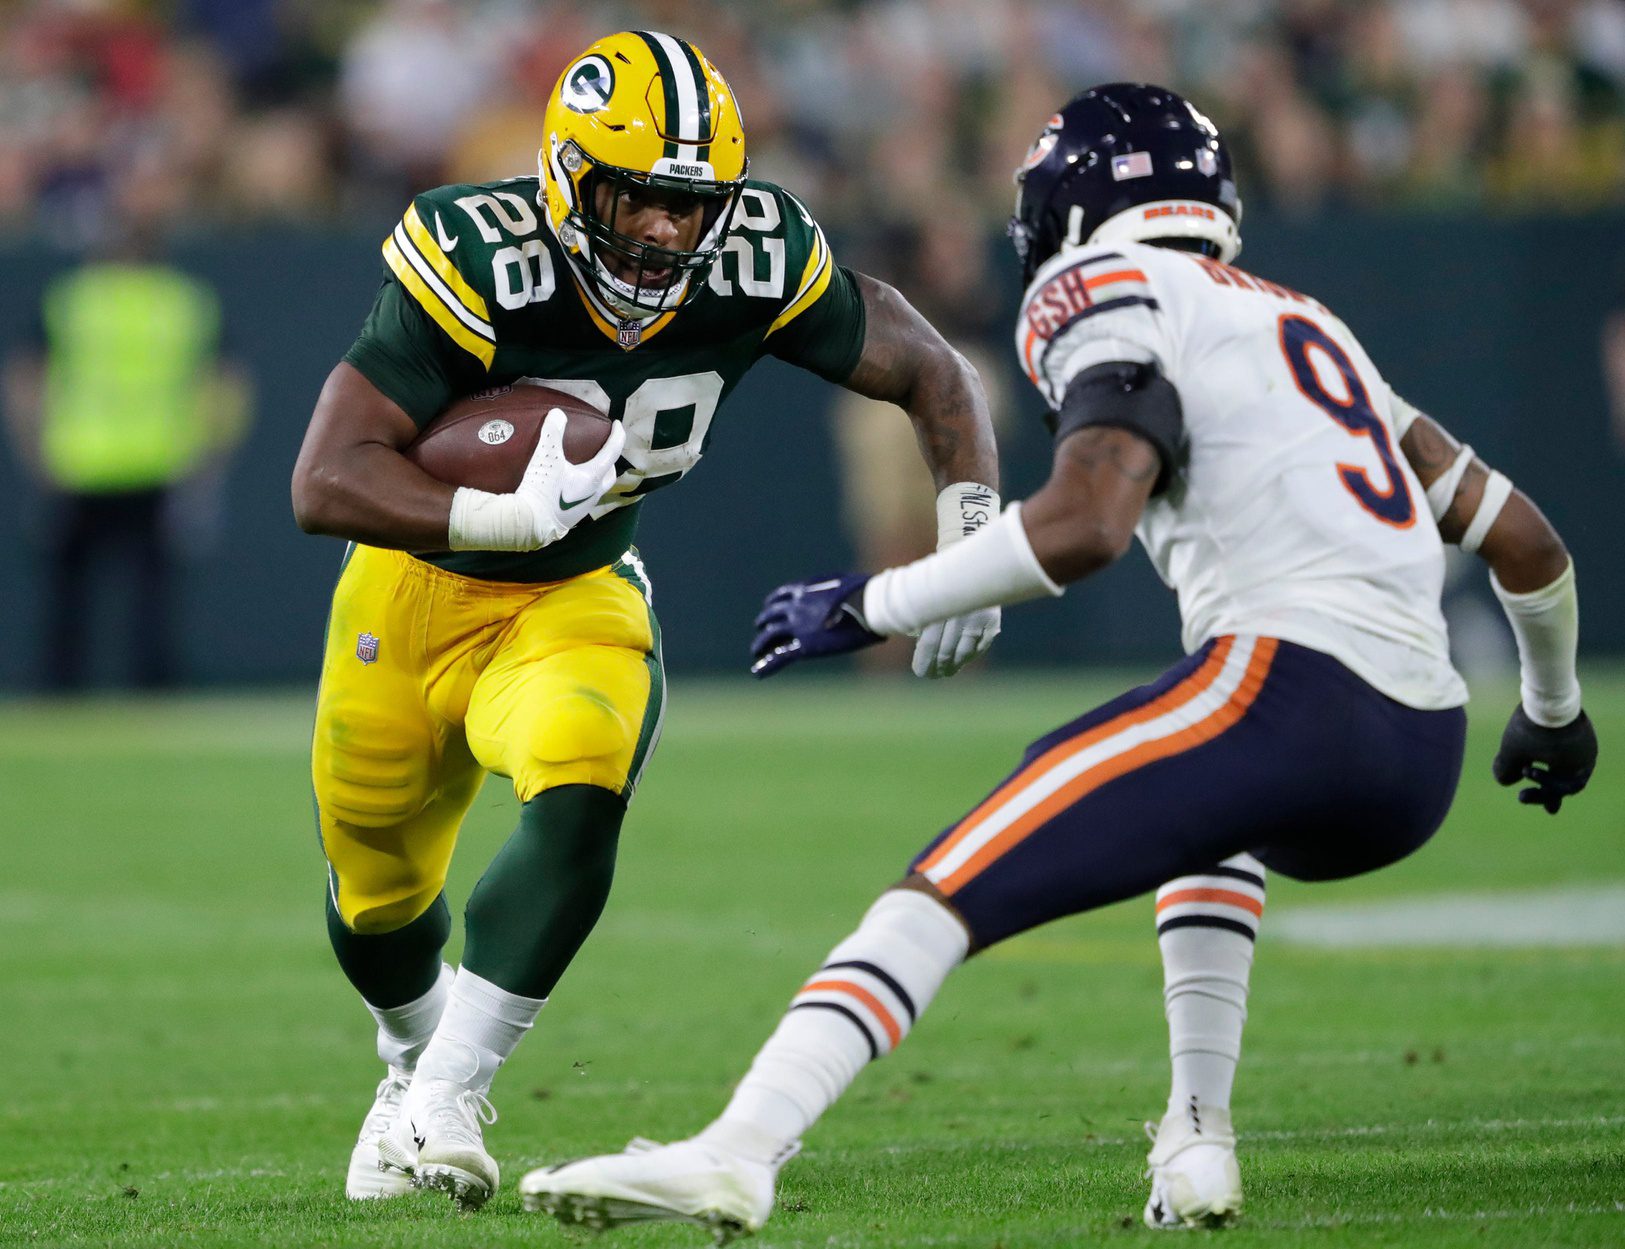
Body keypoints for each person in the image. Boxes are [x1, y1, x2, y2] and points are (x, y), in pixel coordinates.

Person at [517, 83, 1598, 1239]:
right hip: (1420, 742)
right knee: (1206, 810)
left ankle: (735, 1152)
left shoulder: (1105, 285)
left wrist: (871, 601)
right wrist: (1549, 708)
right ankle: (1194, 1137)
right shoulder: (1306, 321)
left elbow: (1084, 523)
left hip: (1288, 691)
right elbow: (1524, 539)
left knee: (947, 880)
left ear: (1073, 202)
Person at [289, 30, 1001, 1211]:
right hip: (411, 590)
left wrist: (971, 522)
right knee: (375, 902)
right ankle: (408, 1061)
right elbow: (323, 479)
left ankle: (450, 1095)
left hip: (577, 591)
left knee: (583, 781)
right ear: (571, 178)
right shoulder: (479, 253)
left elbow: (930, 367)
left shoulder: (758, 256)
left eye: (690, 206)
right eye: (639, 200)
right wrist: (487, 513)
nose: (667, 232)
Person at [3, 172, 250, 691]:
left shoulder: (72, 297)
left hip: (78, 461)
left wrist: (35, 453)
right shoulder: (184, 300)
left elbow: (25, 381)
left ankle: (60, 698)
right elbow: (226, 388)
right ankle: (150, 699)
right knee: (152, 600)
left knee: (69, 601)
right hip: (159, 463)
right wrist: (207, 463)